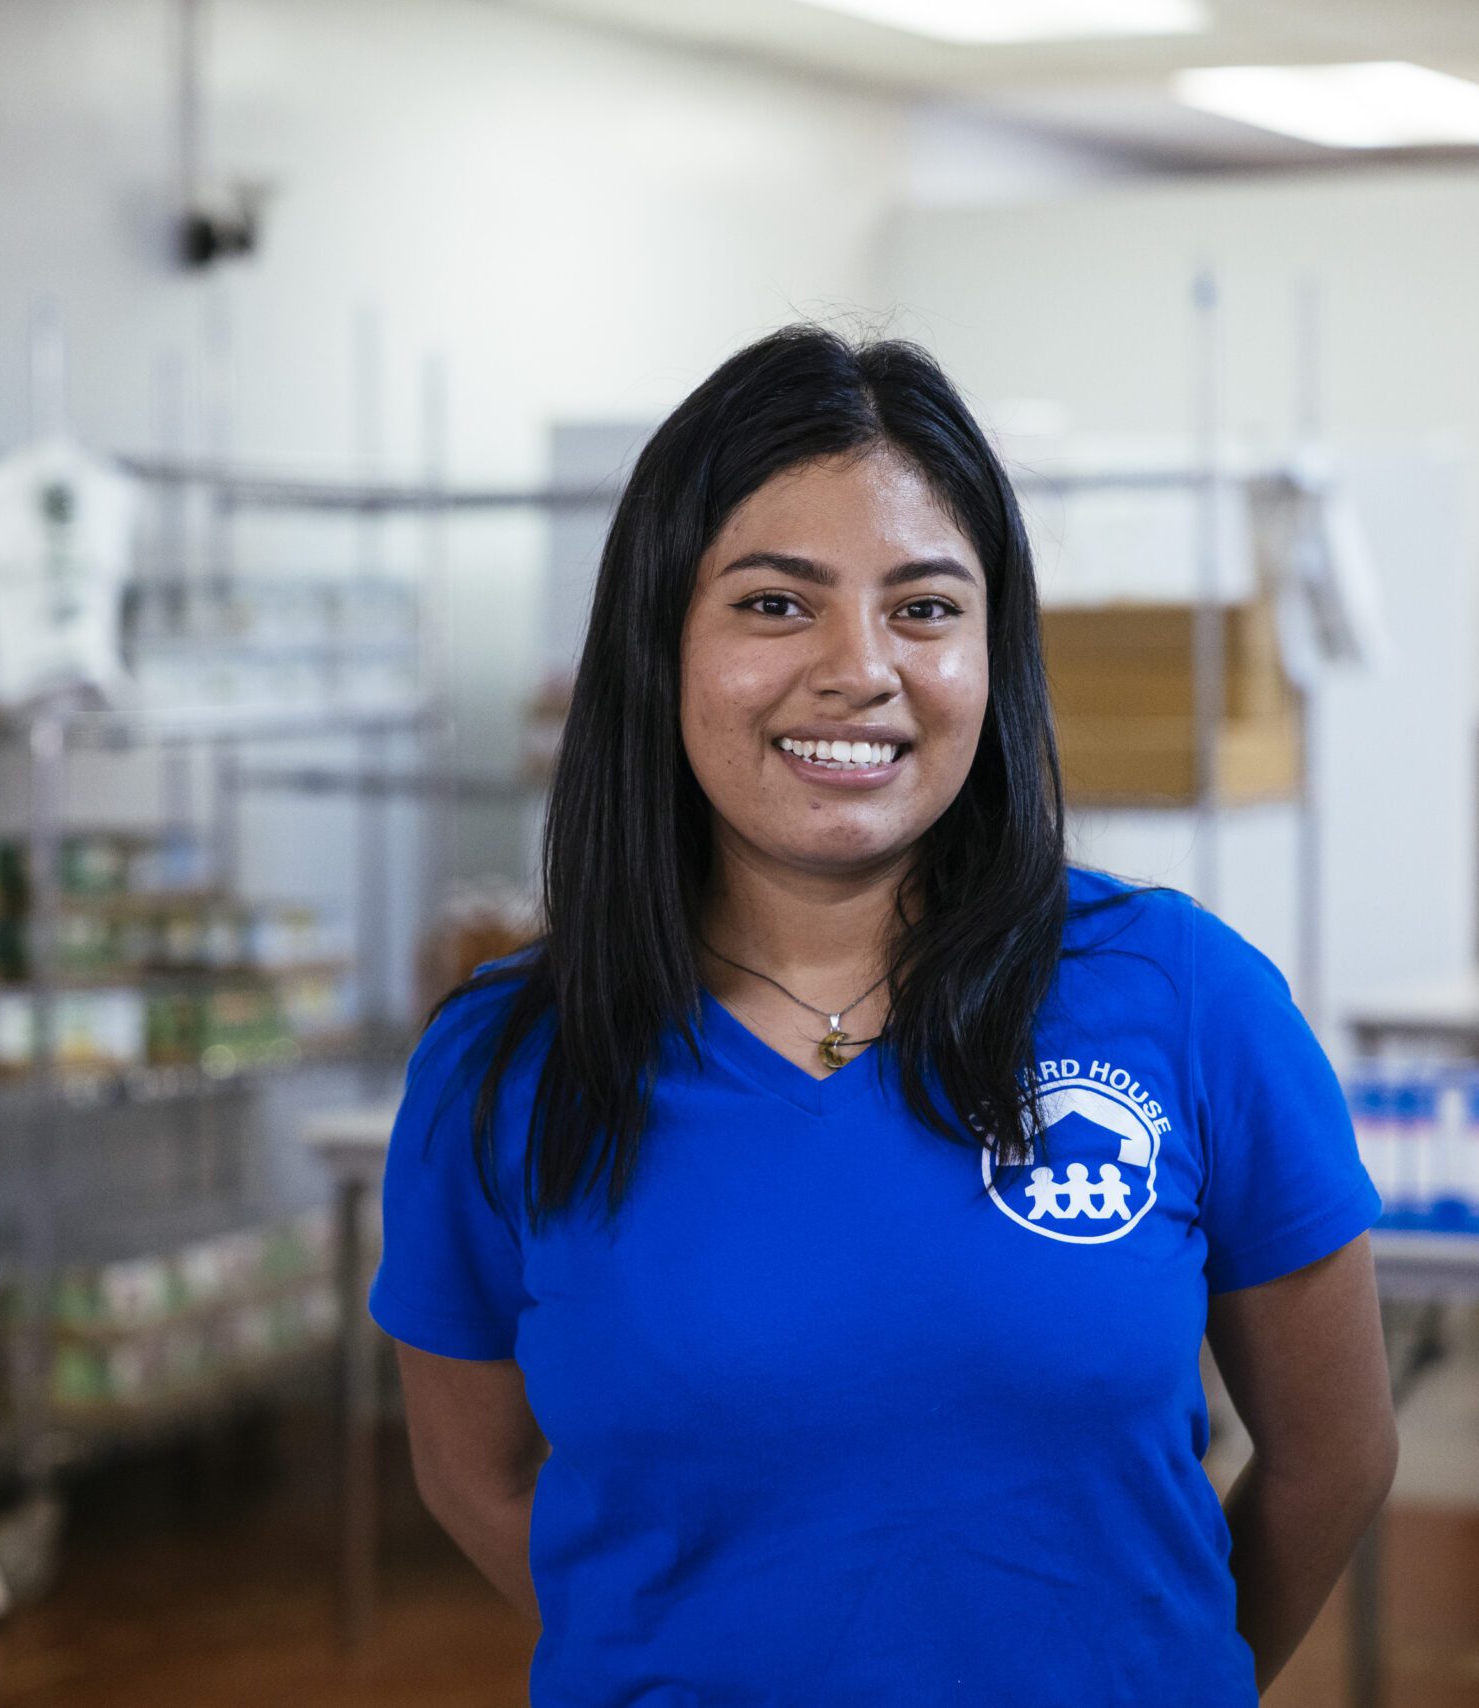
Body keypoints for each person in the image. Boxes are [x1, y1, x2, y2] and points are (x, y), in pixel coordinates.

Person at [371, 324, 1397, 1703]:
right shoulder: (503, 1066)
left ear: (994, 650)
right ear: (657, 641)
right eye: (776, 604)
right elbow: (473, 1475)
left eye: (924, 607)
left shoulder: (1187, 1000)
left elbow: (1337, 1454)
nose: (862, 668)